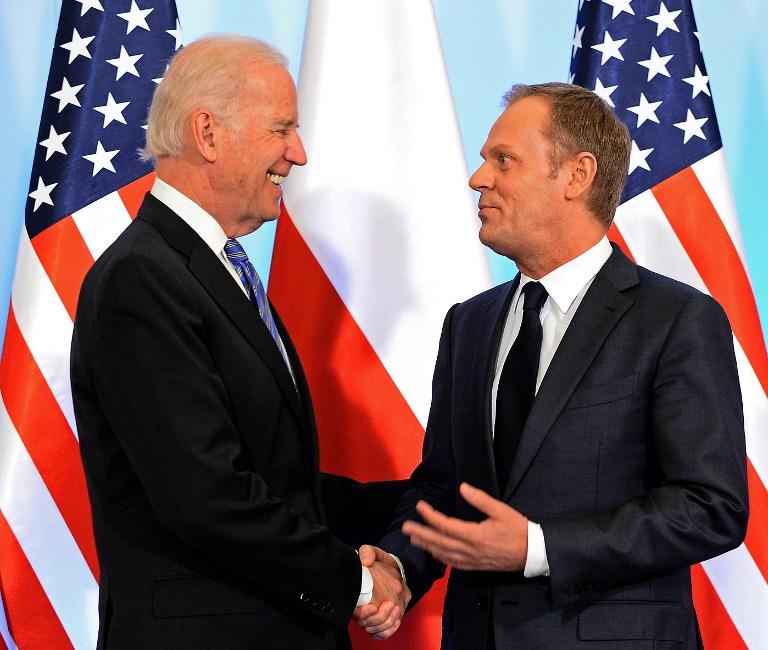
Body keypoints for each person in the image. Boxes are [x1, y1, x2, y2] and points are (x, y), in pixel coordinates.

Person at [356, 82, 748, 648]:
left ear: (576, 175)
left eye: (504, 160)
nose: (477, 178)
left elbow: (710, 507)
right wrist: (398, 565)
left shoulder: (674, 319)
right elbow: (444, 484)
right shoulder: (469, 323)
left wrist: (539, 548)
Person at [70, 35, 408, 650]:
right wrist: (356, 583)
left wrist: (425, 502)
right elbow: (206, 495)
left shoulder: (214, 270)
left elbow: (277, 481)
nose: (298, 153)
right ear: (207, 133)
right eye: (282, 129)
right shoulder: (143, 278)